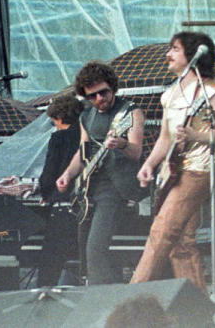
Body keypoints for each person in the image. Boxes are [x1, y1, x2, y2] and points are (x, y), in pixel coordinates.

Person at [131, 32, 215, 291]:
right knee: (182, 243)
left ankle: (131, 296)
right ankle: (197, 310)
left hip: (198, 171)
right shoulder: (170, 93)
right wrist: (149, 164)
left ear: (193, 55)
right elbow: (165, 137)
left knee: (162, 231)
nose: (169, 53)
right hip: (173, 171)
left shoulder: (210, 91)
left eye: (175, 49)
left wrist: (195, 135)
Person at [56, 61, 146, 285]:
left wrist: (122, 144)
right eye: (92, 96)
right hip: (90, 188)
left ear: (113, 87)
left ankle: (99, 298)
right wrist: (68, 174)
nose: (99, 99)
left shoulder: (131, 112)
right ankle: (99, 289)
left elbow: (136, 152)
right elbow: (83, 150)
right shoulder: (87, 115)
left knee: (95, 248)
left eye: (103, 93)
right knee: (84, 247)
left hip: (116, 187)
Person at [37, 94, 84, 286]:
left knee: (50, 260)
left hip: (62, 205)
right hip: (84, 205)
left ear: (57, 117)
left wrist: (45, 193)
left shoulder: (58, 137)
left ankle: (44, 294)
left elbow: (50, 172)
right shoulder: (85, 134)